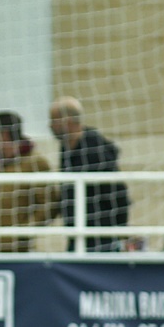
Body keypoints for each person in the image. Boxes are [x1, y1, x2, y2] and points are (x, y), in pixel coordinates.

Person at [0, 111, 58, 252]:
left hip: (19, 248)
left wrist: (26, 230)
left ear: (5, 135)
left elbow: (49, 204)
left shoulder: (35, 162)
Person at [49, 96, 131, 251]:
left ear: (67, 120)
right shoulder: (66, 148)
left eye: (53, 120)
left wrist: (121, 230)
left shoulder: (95, 151)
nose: (50, 126)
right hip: (77, 231)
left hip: (101, 234)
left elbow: (119, 193)